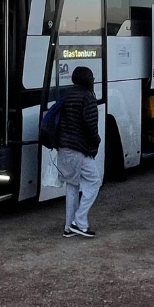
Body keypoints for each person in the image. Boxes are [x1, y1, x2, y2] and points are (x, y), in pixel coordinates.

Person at [57, 67, 103, 238]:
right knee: (94, 181)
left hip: (63, 147)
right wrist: (96, 142)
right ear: (87, 79)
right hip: (78, 148)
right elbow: (90, 126)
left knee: (72, 185)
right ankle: (79, 221)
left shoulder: (66, 94)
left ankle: (68, 227)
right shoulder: (87, 97)